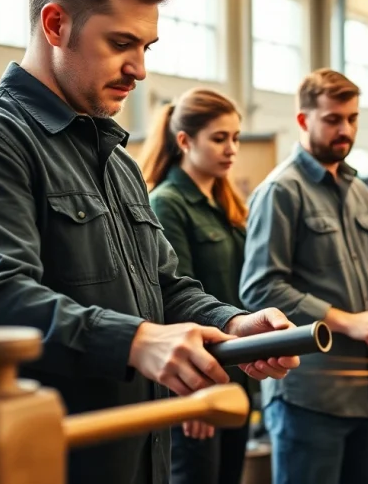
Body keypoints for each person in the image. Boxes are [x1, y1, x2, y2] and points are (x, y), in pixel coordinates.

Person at [0, 0, 298, 484]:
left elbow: (164, 286)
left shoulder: (112, 156)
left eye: (146, 48)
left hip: (137, 453)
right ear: (55, 25)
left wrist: (230, 323)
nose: (139, 69)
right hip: (40, 460)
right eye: (120, 43)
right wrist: (136, 341)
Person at [239, 68, 368, 484]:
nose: (345, 130)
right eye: (333, 119)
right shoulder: (281, 191)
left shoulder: (357, 190)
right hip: (311, 398)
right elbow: (261, 286)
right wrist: (346, 321)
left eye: (351, 119)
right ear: (304, 120)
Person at [137, 88, 252, 484]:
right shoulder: (167, 203)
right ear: (184, 141)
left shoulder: (226, 203)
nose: (231, 148)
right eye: (219, 138)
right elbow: (172, 298)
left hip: (235, 368)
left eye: (235, 138)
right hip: (197, 375)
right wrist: (189, 392)